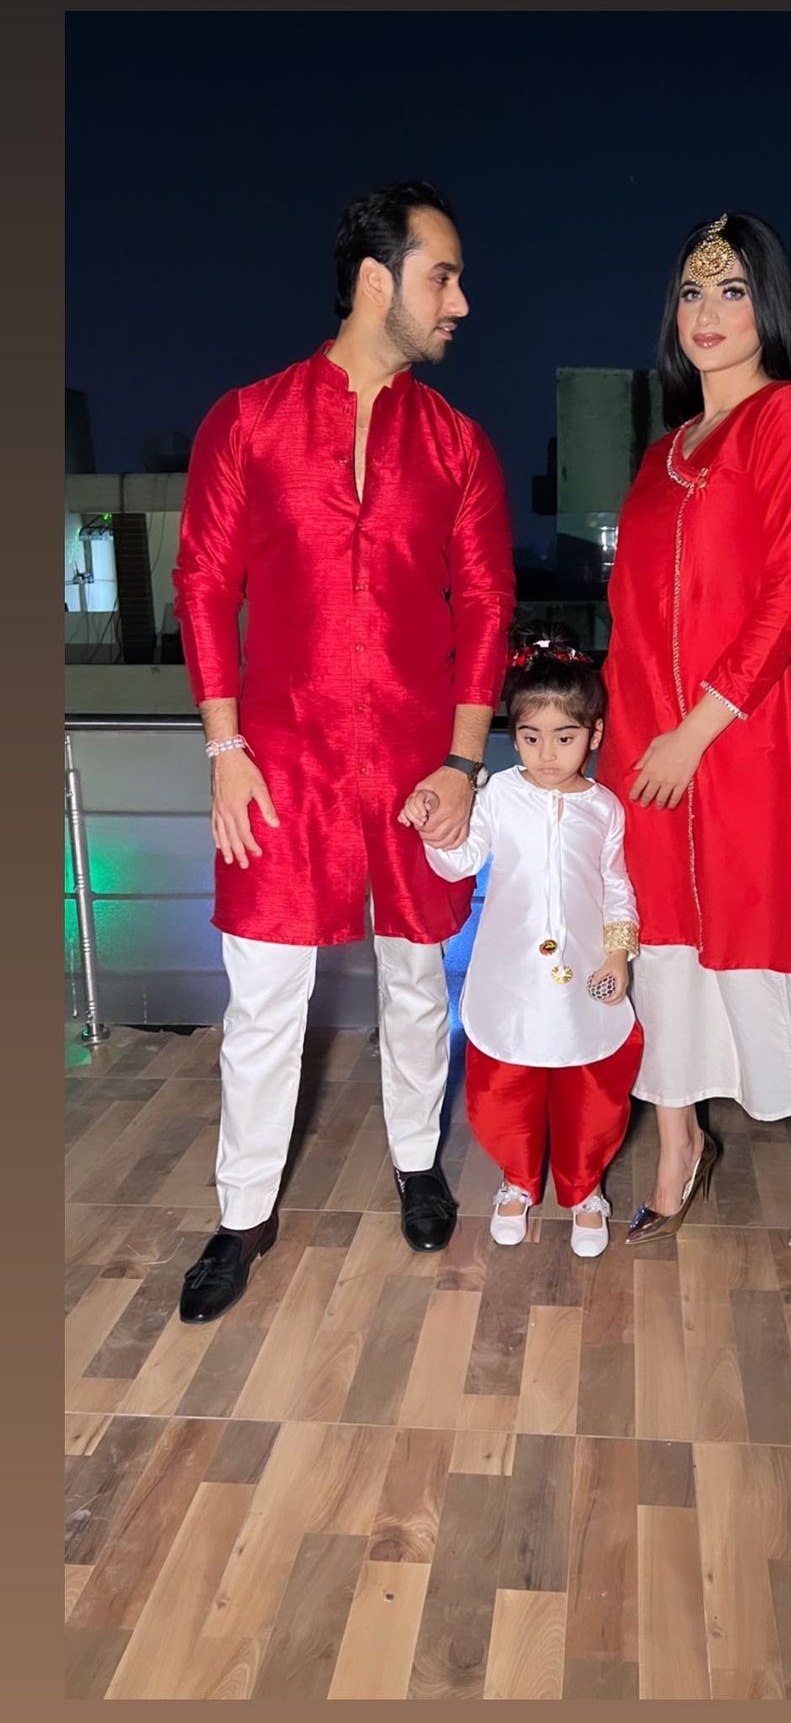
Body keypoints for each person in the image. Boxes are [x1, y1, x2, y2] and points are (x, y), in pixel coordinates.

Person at [172, 179, 515, 1322]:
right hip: (278, 761)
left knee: (417, 974)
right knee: (266, 994)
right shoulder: (248, 420)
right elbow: (204, 582)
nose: (460, 302)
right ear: (378, 280)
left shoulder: (459, 444)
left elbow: (487, 602)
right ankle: (241, 1214)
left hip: (419, 761)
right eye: (442, 277)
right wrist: (224, 745)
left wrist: (462, 761)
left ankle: (417, 1160)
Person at [597, 213, 791, 1247]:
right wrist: (625, 744)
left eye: (732, 290)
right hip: (646, 742)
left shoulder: (789, 418)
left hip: (741, 735)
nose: (707, 313)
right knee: (662, 949)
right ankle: (679, 1144)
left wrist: (696, 729)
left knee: (768, 950)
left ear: (768, 308)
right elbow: (631, 618)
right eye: (692, 292)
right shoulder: (661, 452)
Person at [403, 628, 643, 1257]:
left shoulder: (605, 808)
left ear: (593, 734)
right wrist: (434, 827)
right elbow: (461, 862)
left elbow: (617, 886)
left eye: (565, 737)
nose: (547, 753)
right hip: (511, 974)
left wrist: (618, 954)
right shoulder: (498, 795)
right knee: (505, 1084)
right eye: (531, 737)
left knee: (591, 1084)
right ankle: (517, 1180)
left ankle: (584, 1187)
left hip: (586, 973)